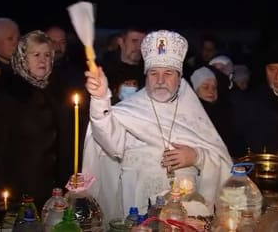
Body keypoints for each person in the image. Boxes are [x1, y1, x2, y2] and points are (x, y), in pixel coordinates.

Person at [82, 30, 233, 224]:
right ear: (146, 76)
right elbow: (109, 143)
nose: (160, 80)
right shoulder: (129, 110)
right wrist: (100, 99)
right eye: (154, 73)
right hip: (136, 203)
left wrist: (197, 157)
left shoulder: (194, 113)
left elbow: (221, 162)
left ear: (179, 78)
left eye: (168, 73)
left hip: (185, 209)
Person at [0, 30, 74, 212]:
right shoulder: (10, 95)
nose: (43, 60)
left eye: (47, 55)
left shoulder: (59, 92)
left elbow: (68, 139)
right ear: (22, 58)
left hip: (56, 189)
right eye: (36, 55)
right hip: (21, 189)